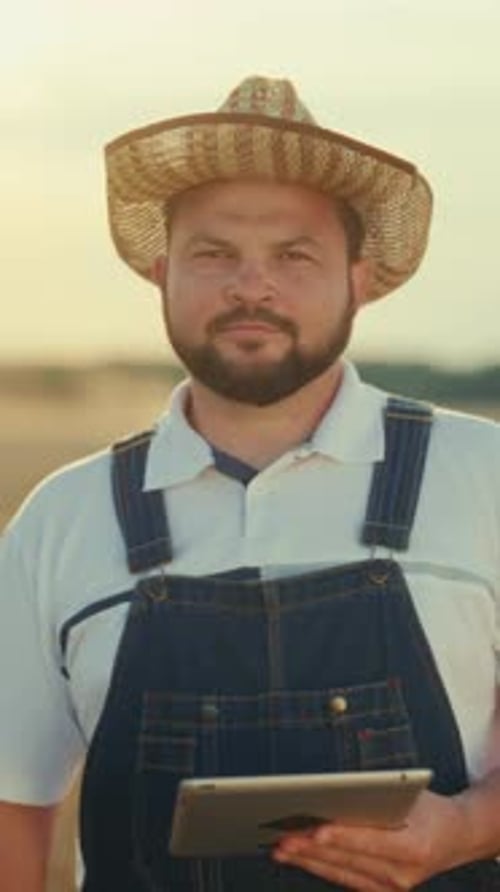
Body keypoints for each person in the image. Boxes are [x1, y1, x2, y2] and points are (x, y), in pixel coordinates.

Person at [0, 74, 499, 892]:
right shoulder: (63, 518)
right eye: (214, 253)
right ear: (162, 273)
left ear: (360, 278)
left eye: (294, 255)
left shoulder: (484, 476)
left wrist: (463, 832)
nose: (251, 286)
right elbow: (12, 806)